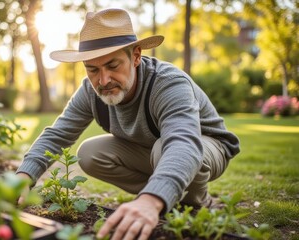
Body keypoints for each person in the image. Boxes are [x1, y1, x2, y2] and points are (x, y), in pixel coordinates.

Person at [16, 8, 240, 240]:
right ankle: (164, 191)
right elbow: (58, 134)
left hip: (205, 146)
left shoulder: (168, 84)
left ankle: (196, 203)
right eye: (93, 69)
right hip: (155, 149)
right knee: (90, 153)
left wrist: (151, 201)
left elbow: (183, 143)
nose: (103, 80)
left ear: (135, 56)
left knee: (166, 149)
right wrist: (23, 177)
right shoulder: (90, 91)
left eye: (113, 66)